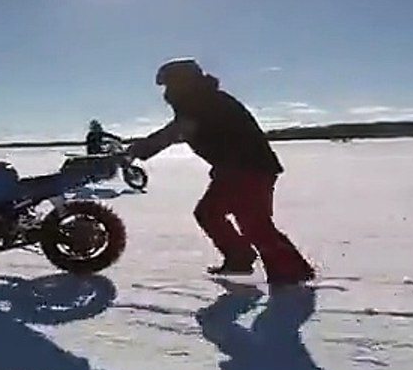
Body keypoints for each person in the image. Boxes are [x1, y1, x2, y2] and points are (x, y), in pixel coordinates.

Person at [126, 58, 316, 286]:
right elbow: (179, 130)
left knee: (254, 223)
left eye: (169, 85)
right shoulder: (201, 101)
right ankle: (241, 258)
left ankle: (290, 272)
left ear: (183, 83)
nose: (167, 92)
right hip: (235, 169)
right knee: (210, 213)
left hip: (248, 169)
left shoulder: (202, 103)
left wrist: (140, 149)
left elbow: (175, 132)